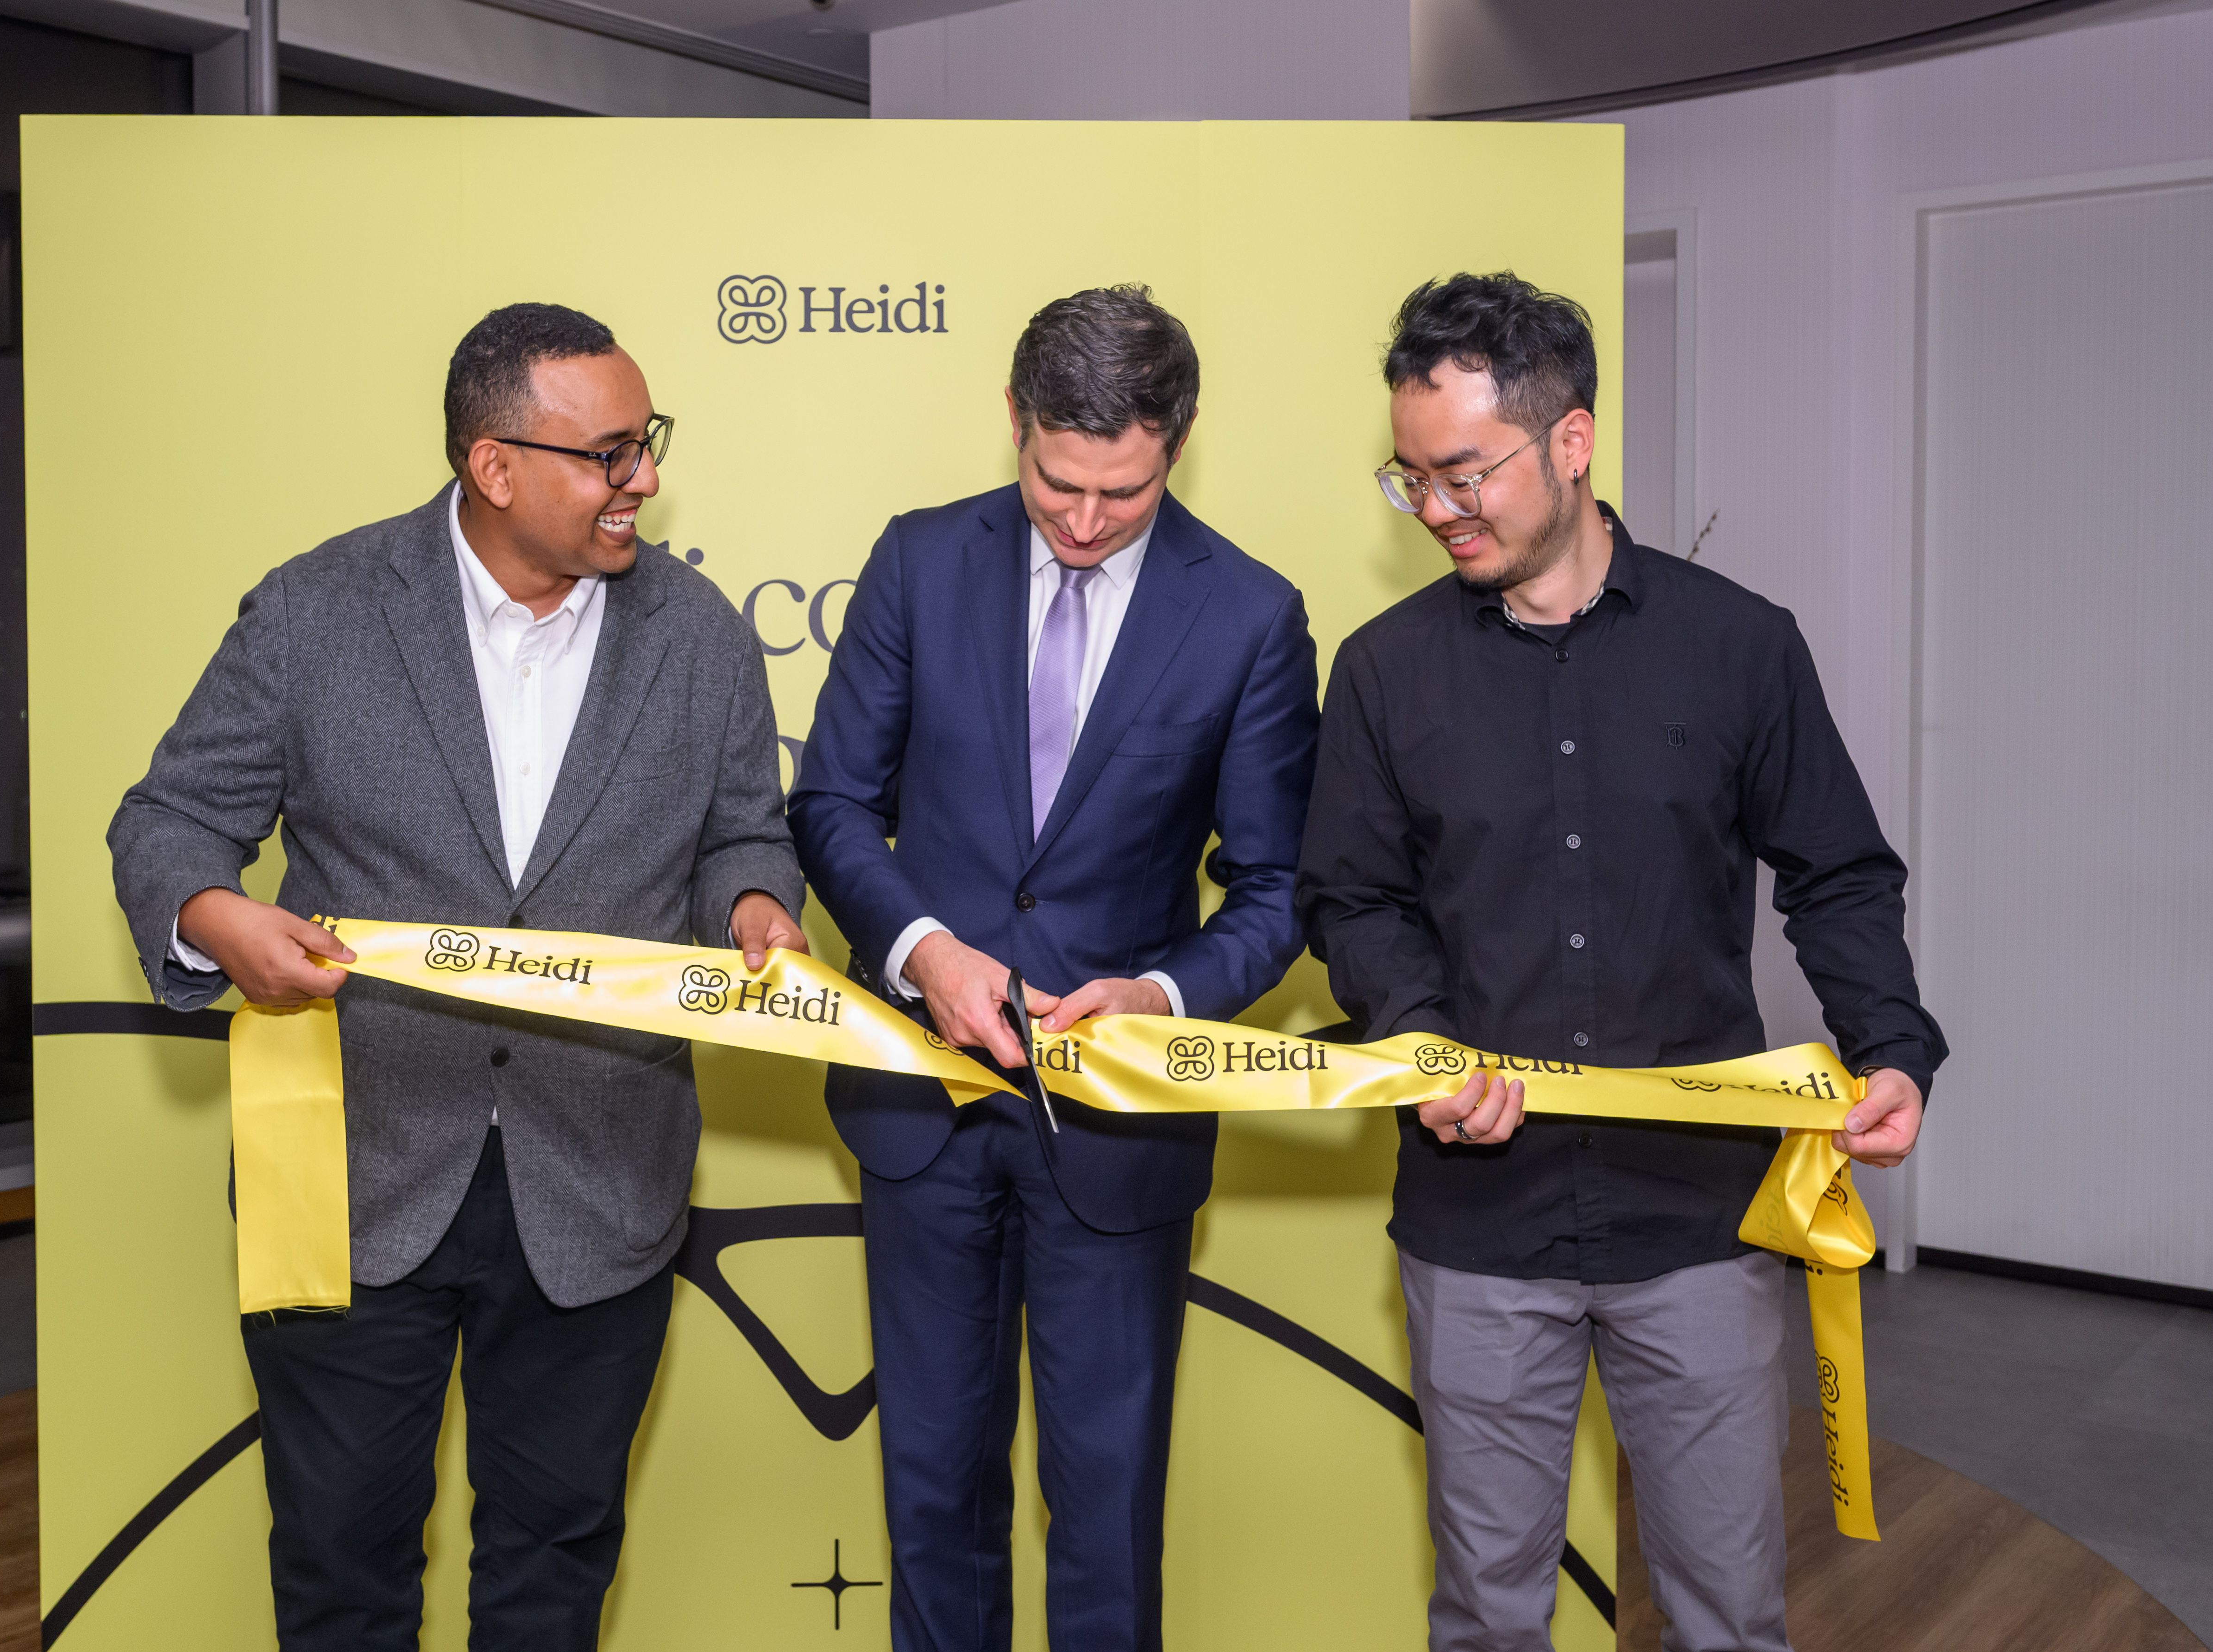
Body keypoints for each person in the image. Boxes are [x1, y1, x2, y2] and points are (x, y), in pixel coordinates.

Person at [107, 303, 806, 1652]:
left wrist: (757, 907)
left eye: (645, 443)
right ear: (494, 466)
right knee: (341, 1565)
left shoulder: (700, 632)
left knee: (552, 1569)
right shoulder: (317, 607)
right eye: (610, 452)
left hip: (602, 1180)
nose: (644, 478)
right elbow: (168, 822)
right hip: (355, 1180)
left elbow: (739, 832)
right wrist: (214, 916)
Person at [1297, 272, 1947, 1652]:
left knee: (1725, 1611)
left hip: (1696, 1225)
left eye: (1464, 471)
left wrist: (1888, 1044)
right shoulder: (1380, 671)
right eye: (1407, 478)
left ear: (1571, 443)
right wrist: (1420, 1036)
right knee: (1486, 1611)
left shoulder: (1739, 648)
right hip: (1477, 1225)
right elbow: (1349, 895)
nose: (1434, 508)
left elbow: (1835, 871)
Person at [789, 285, 1321, 1652]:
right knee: (931, 1492)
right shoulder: (917, 561)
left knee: (1105, 1512)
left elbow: (1274, 889)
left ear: (1177, 445)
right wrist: (923, 951)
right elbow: (833, 805)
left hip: (1116, 1128)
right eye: (1056, 482)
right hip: (920, 1110)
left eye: (1123, 493)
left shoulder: (1252, 615)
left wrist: (1162, 997)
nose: (1083, 522)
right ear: (1015, 423)